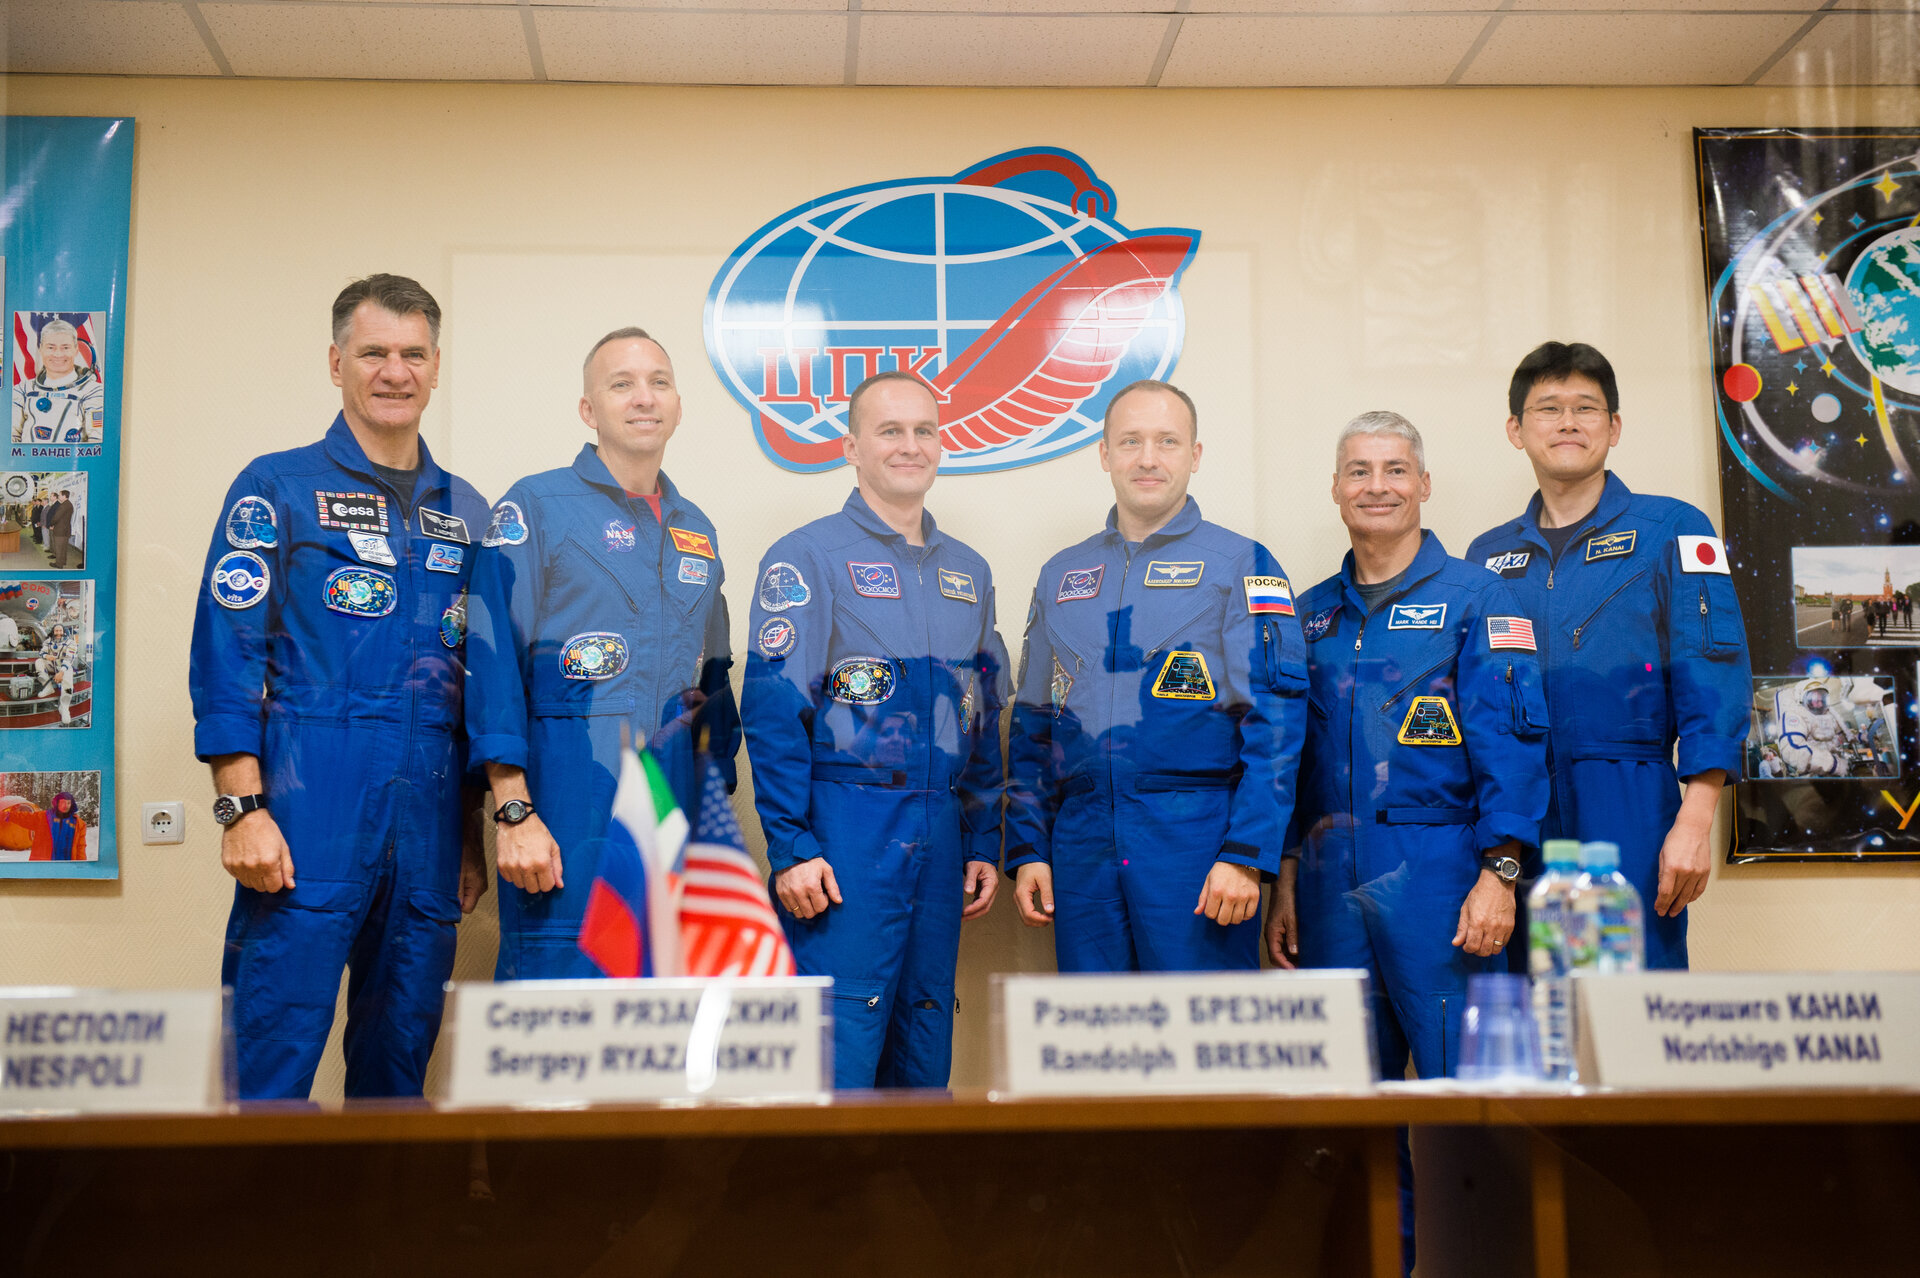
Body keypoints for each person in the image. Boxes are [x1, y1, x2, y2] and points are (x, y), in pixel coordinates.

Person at [188, 274, 491, 1100]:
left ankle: (382, 1196)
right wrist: (240, 809)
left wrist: (469, 836)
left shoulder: (467, 511)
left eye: (413, 354)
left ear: (436, 368)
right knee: (272, 1056)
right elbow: (228, 652)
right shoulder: (276, 488)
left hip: (429, 827)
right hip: (306, 813)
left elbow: (475, 686)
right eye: (373, 353)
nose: (395, 371)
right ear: (335, 363)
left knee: (398, 1067)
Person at [1270, 412, 1549, 1278]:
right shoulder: (1309, 617)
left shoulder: (1478, 600)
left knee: (1466, 1105)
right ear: (1335, 488)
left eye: (1395, 469)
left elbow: (1514, 748)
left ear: (1424, 485)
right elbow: (1290, 763)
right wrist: (1286, 878)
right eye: (1359, 470)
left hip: (1443, 874)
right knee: (1348, 1110)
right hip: (1328, 881)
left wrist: (1500, 874)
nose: (1377, 486)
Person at [742, 370, 1006, 1089]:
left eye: (924, 430)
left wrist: (982, 839)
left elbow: (982, 716)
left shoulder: (969, 572)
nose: (909, 445)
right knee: (840, 1037)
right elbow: (773, 714)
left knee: (925, 1029)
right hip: (845, 831)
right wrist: (792, 845)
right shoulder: (807, 558)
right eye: (890, 430)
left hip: (941, 830)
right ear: (852, 447)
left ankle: (909, 1167)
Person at [1004, 380, 1306, 972]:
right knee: (1095, 1026)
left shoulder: (1242, 565)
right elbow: (1033, 727)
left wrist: (1245, 853)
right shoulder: (1062, 575)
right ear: (1104, 454)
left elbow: (1276, 724)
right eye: (1130, 441)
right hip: (1083, 847)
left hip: (1197, 844)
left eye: (1167, 441)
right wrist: (1029, 846)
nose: (1148, 458)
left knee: (1202, 1025)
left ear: (1195, 455)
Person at [465, 327, 739, 979]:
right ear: (589, 409)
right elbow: (491, 661)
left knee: (655, 1017)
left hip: (670, 817)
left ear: (678, 405)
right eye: (622, 384)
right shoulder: (537, 506)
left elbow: (714, 686)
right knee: (555, 1007)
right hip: (566, 811)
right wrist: (514, 810)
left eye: (659, 382)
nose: (644, 397)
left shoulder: (697, 530)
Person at [1467, 342, 1750, 971]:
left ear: (1614, 427)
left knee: (1626, 1000)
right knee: (1530, 995)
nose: (1567, 422)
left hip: (1628, 802)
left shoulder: (1672, 529)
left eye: (1586, 408)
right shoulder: (1487, 557)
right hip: (1518, 811)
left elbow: (1714, 675)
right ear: (1516, 430)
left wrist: (1695, 821)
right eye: (1548, 408)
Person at [11, 320, 104, 446]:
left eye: (65, 347)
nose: (58, 354)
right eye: (51, 347)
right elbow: (9, 438)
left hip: (72, 458)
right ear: (41, 349)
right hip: (29, 458)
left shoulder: (93, 392)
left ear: (76, 350)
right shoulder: (23, 390)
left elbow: (97, 444)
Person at [32, 621, 78, 725]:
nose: (58, 633)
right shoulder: (48, 642)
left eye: (60, 630)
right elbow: (41, 653)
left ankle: (64, 707)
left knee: (68, 680)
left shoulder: (71, 642)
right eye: (56, 630)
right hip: (52, 665)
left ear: (63, 631)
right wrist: (46, 656)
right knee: (39, 662)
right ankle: (48, 687)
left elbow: (69, 658)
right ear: (53, 631)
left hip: (64, 667)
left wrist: (61, 672)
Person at [46, 489, 74, 568]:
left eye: (60, 495)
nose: (59, 496)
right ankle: (63, 561)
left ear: (64, 496)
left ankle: (58, 564)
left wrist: (51, 524)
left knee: (58, 548)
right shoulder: (69, 504)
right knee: (63, 548)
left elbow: (56, 517)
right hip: (65, 529)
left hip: (60, 530)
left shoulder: (63, 505)